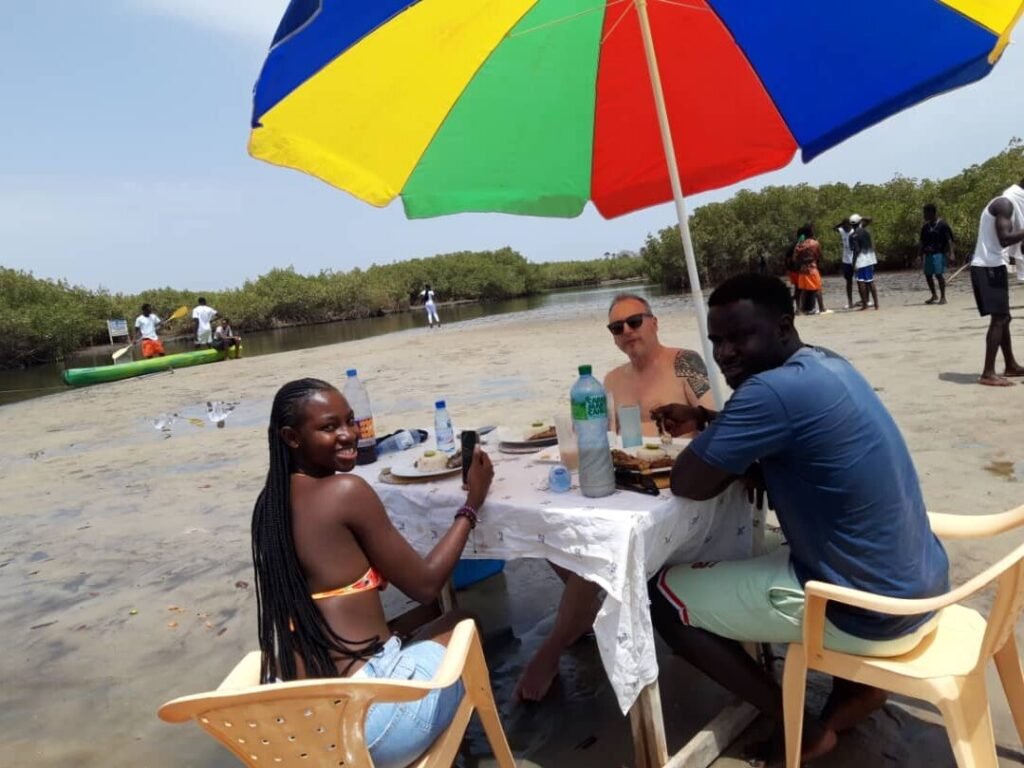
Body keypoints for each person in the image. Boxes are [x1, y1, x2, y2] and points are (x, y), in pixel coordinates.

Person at [647, 274, 948, 763]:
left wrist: (724, 442)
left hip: (872, 610)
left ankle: (803, 730)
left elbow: (688, 482)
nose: (724, 354)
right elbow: (793, 430)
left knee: (661, 596)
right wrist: (706, 421)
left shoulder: (767, 392)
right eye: (716, 340)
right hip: (923, 583)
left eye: (740, 337)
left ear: (783, 327)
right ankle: (854, 690)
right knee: (759, 545)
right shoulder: (826, 362)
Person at [251, 378, 494, 768]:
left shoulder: (269, 508)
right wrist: (472, 504)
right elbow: (426, 584)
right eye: (329, 427)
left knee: (429, 618)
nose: (349, 435)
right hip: (373, 728)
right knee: (464, 621)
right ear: (291, 438)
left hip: (310, 731)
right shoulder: (347, 491)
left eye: (350, 421)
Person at [514, 294, 714, 701]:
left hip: (674, 488)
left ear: (654, 322)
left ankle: (551, 649)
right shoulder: (610, 381)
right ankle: (585, 609)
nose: (626, 332)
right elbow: (599, 440)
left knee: (598, 545)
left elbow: (714, 423)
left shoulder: (685, 363)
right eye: (616, 327)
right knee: (555, 528)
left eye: (634, 322)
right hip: (627, 484)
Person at [969, 179, 1024, 386]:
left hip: (994, 265)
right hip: (987, 267)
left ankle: (1010, 365)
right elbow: (1005, 238)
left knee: (1004, 317)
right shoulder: (1005, 203)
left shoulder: (1010, 204)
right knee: (999, 318)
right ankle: (987, 373)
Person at [920, 204, 955, 305]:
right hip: (928, 253)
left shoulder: (943, 225)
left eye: (925, 213)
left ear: (932, 213)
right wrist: (919, 255)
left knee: (939, 275)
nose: (924, 215)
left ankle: (943, 297)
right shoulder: (925, 227)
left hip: (939, 253)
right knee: (928, 275)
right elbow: (921, 242)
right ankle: (934, 295)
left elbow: (949, 240)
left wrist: (951, 253)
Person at [793, 225, 827, 315]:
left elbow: (795, 258)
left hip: (802, 270)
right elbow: (819, 255)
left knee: (803, 290)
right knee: (818, 288)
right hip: (812, 268)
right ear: (811, 233)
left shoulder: (799, 244)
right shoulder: (815, 243)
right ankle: (822, 308)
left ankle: (800, 309)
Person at [849, 213, 879, 310]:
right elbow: (870, 219)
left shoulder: (852, 236)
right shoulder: (865, 232)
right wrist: (861, 217)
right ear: (859, 222)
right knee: (870, 281)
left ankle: (865, 305)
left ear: (851, 225)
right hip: (870, 259)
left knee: (860, 282)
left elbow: (856, 250)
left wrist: (853, 263)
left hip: (861, 260)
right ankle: (876, 304)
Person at [835, 218, 855, 309]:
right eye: (844, 226)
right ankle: (850, 302)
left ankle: (865, 300)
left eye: (847, 226)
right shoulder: (842, 230)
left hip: (856, 259)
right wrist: (841, 223)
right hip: (846, 260)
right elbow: (834, 228)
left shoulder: (854, 231)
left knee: (861, 281)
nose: (846, 228)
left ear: (850, 225)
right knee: (848, 282)